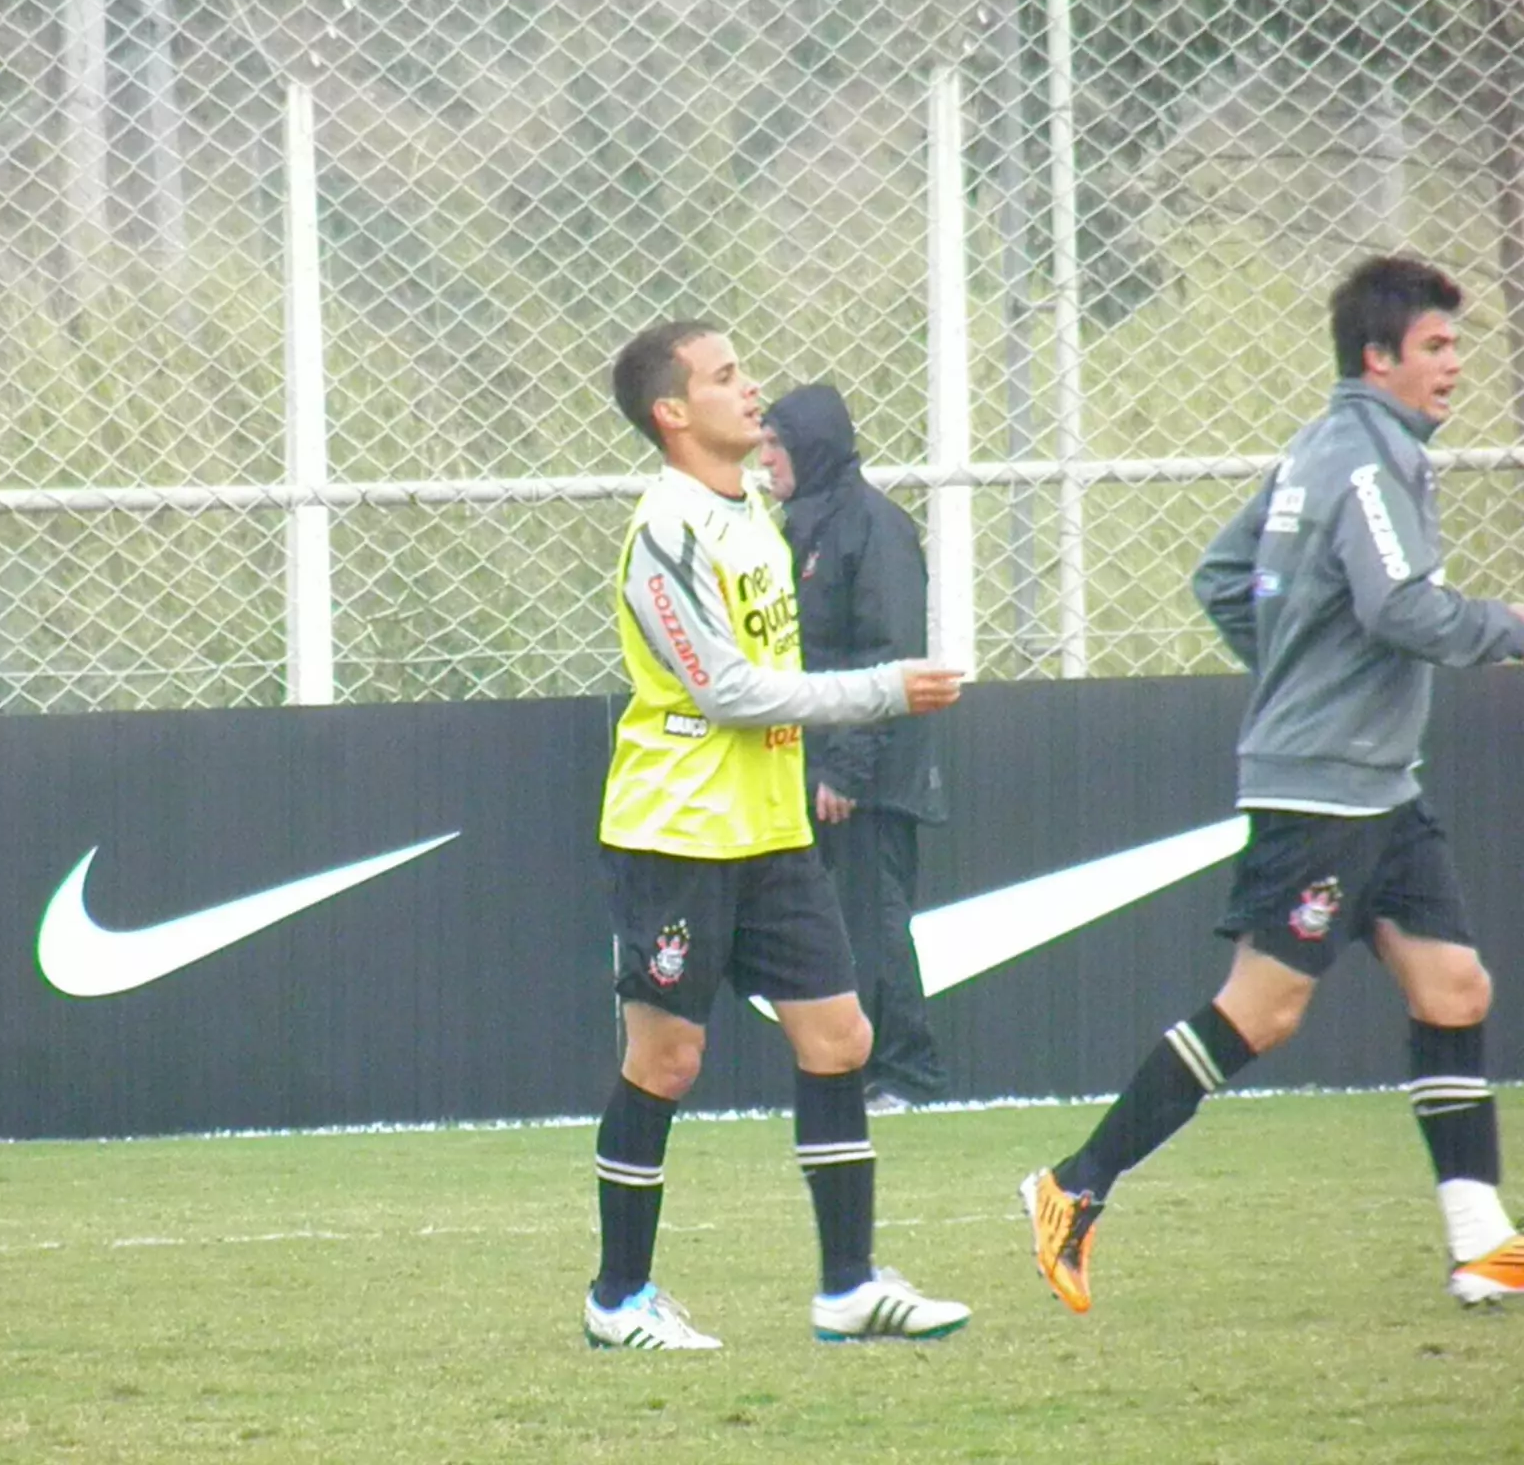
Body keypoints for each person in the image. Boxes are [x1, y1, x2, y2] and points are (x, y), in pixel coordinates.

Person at [1021, 255, 1524, 1315]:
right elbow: (1399, 607)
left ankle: (1481, 1245)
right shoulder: (1366, 458)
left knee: (1454, 990)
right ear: (1377, 357)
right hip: (1326, 792)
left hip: (1373, 785)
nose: (1455, 366)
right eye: (1435, 346)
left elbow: (1220, 577)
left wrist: (1300, 668)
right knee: (1261, 1011)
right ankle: (1073, 1184)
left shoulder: (1322, 446)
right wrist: (1506, 630)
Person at [584, 320, 970, 1350]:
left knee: (839, 1037)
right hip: (675, 833)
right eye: (723, 377)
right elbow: (724, 690)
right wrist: (881, 692)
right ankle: (616, 1300)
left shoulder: (753, 509)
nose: (749, 390)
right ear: (673, 413)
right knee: (666, 1061)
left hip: (766, 831)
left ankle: (846, 1285)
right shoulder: (663, 529)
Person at [760, 383, 950, 1111]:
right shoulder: (797, 527)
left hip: (869, 773)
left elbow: (889, 652)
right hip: (809, 763)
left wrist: (845, 766)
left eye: (776, 444)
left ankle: (906, 1075)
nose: (765, 457)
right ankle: (850, 1072)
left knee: (873, 917)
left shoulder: (874, 527)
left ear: (809, 448)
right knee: (835, 920)